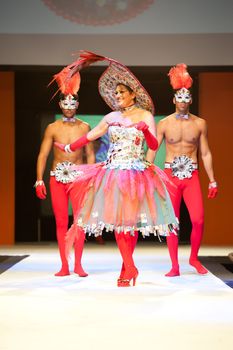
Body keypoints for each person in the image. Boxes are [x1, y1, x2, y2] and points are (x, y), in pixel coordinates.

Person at [53, 51, 178, 287]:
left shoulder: (145, 115)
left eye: (122, 92)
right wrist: (69, 146)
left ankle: (126, 268)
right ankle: (130, 267)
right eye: (116, 92)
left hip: (136, 173)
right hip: (112, 173)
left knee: (129, 224)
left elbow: (153, 145)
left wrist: (145, 129)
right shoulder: (110, 116)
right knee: (119, 224)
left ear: (133, 94)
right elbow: (91, 135)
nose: (117, 95)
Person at [156, 63, 218, 277]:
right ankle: (174, 265)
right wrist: (148, 172)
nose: (182, 100)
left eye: (186, 97)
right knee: (172, 222)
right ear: (174, 100)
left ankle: (193, 257)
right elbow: (153, 149)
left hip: (191, 175)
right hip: (170, 176)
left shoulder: (200, 123)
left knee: (198, 219)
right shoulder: (163, 124)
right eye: (179, 97)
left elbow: (206, 153)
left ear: (190, 99)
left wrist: (212, 180)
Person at [35, 82, 95, 276]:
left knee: (79, 221)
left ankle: (78, 264)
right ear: (61, 105)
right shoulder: (52, 128)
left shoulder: (85, 127)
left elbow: (90, 154)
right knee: (61, 222)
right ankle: (64, 265)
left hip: (78, 178)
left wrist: (91, 178)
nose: (69, 107)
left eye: (72, 104)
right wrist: (39, 180)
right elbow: (43, 155)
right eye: (65, 103)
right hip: (57, 179)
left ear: (77, 105)